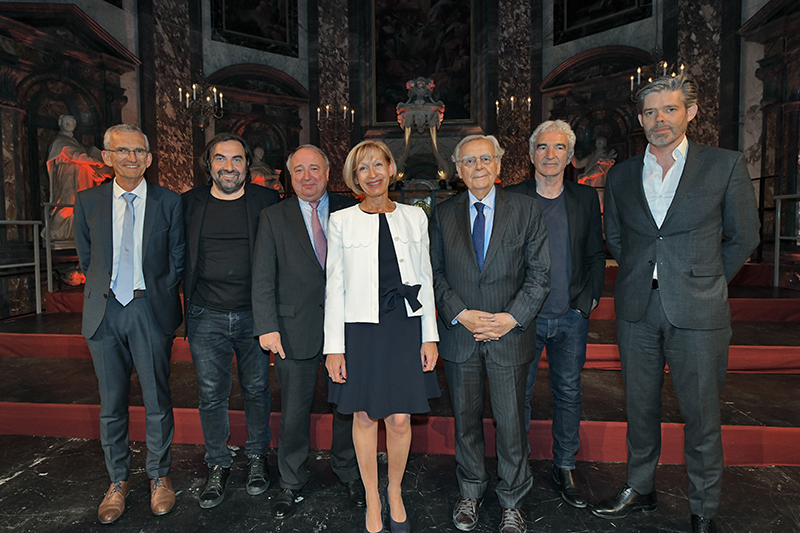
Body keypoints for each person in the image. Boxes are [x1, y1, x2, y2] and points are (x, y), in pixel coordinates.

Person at [593, 75, 760, 533]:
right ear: (641, 119)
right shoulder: (622, 173)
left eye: (668, 109)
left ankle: (703, 507)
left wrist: (706, 280)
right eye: (649, 112)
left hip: (700, 312)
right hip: (636, 311)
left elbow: (744, 235)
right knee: (639, 408)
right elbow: (616, 236)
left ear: (691, 112)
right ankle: (640, 488)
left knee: (701, 413)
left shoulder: (724, 164)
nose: (658, 120)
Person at [429, 134, 550, 533]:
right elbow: (434, 273)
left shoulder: (527, 210)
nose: (478, 167)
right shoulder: (442, 214)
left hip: (509, 335)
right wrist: (460, 314)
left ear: (499, 165)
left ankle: (513, 500)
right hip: (461, 336)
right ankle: (471, 490)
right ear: (457, 170)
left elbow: (540, 274)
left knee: (511, 421)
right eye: (469, 161)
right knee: (465, 420)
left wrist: (510, 318)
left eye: (486, 159)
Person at [324, 140, 440, 533]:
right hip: (360, 329)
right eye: (362, 168)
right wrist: (333, 348)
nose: (372, 174)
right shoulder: (341, 221)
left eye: (378, 165)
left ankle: (394, 491)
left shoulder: (415, 217)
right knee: (363, 413)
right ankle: (372, 498)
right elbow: (334, 287)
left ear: (392, 169)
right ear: (354, 177)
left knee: (401, 417)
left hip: (404, 328)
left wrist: (430, 337)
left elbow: (424, 278)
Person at [73, 124, 184, 524]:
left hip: (148, 311)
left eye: (139, 151)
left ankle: (159, 477)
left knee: (157, 400)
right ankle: (117, 481)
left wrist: (158, 294)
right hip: (104, 313)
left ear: (150, 158)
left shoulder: (169, 202)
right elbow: (87, 258)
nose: (131, 158)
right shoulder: (88, 201)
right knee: (112, 405)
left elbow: (178, 258)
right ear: (108, 156)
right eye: (123, 151)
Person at [251, 145, 364, 519]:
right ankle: (290, 481)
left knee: (347, 408)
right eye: (298, 170)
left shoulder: (353, 209)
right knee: (294, 412)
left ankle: (349, 472)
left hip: (346, 331)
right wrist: (267, 327)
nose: (306, 177)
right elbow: (263, 276)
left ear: (328, 172)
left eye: (313, 168)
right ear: (289, 176)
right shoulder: (273, 216)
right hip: (292, 329)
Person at [505, 120, 605, 509]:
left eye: (558, 148)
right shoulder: (512, 198)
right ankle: (518, 469)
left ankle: (564, 466)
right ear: (531, 154)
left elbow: (596, 254)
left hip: (570, 316)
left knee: (568, 393)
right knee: (518, 397)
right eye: (542, 148)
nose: (550, 155)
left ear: (570, 156)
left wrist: (589, 300)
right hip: (523, 319)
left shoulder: (583, 199)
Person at [182, 133, 280, 509]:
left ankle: (257, 458)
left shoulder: (266, 200)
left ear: (247, 165)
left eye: (237, 159)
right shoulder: (189, 203)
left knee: (257, 389)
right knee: (211, 395)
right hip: (206, 314)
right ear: (209, 164)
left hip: (255, 315)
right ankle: (218, 463)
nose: (229, 167)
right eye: (221, 159)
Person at [46, 115, 106, 240]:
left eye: (72, 121)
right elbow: (76, 155)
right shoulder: (60, 141)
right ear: (60, 123)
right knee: (67, 204)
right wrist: (96, 161)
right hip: (68, 178)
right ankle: (52, 231)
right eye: (67, 122)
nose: (70, 124)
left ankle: (72, 234)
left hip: (79, 179)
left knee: (78, 206)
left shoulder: (75, 142)